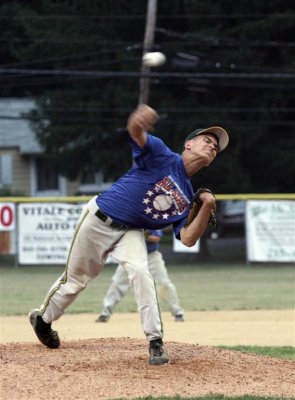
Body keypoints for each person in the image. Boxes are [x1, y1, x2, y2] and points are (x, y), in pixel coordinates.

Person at [29, 104, 229, 366]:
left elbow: (189, 238)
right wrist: (138, 120)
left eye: (216, 147)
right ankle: (42, 321)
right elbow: (136, 131)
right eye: (207, 140)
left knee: (141, 273)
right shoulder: (161, 155)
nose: (212, 146)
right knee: (76, 281)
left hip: (131, 232)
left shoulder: (187, 197)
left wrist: (208, 205)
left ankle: (155, 342)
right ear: (188, 144)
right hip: (100, 219)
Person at [96, 229, 184, 323]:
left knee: (164, 283)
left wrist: (143, 235)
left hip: (151, 256)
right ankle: (105, 313)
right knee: (117, 282)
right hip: (130, 256)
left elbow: (157, 238)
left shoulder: (151, 217)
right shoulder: (127, 218)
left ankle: (177, 312)